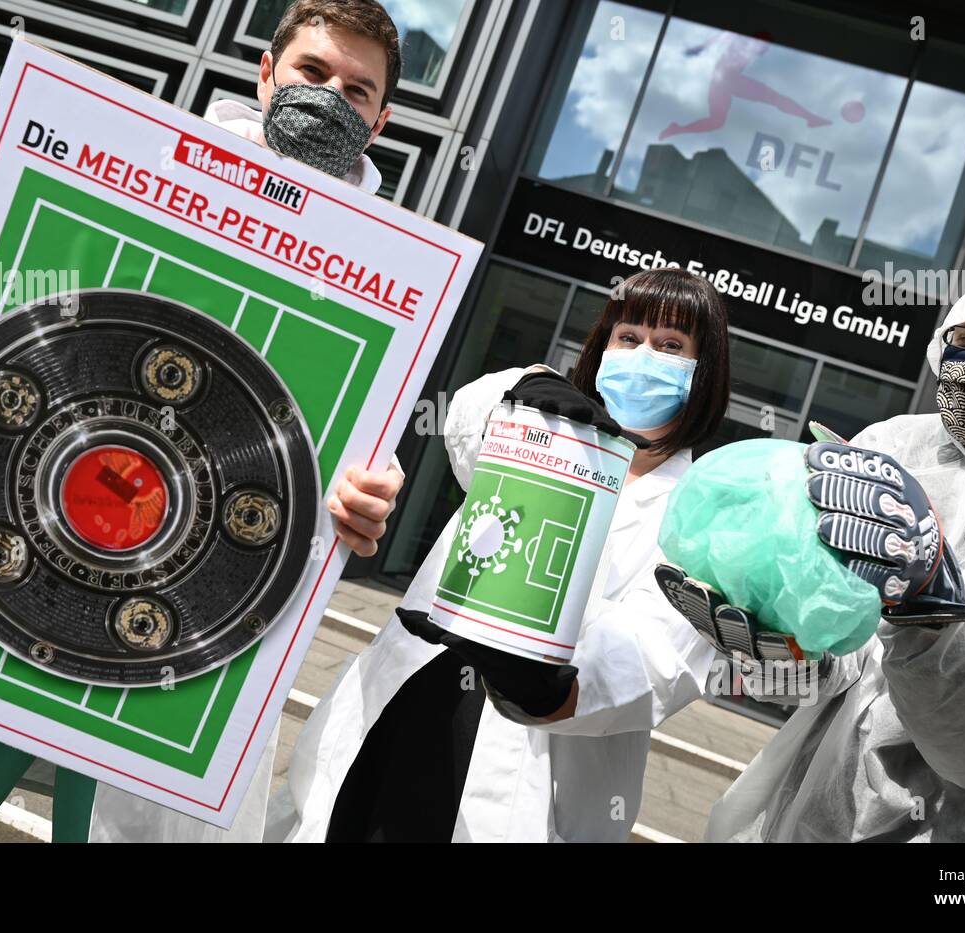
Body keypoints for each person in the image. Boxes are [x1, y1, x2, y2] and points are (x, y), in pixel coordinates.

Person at [0, 0, 406, 844]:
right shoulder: (136, 162)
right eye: (314, 72)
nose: (330, 98)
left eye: (356, 92)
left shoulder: (390, 271)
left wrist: (363, 500)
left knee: (115, 822)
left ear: (380, 123)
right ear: (266, 74)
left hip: (195, 586)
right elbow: (25, 292)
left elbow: (343, 444)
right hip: (41, 521)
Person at [666, 249, 965, 842]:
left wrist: (936, 609)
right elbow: (842, 672)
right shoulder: (890, 448)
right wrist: (778, 656)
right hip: (799, 818)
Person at [264, 267, 729, 842]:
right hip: (403, 702)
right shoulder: (545, 426)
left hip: (531, 767)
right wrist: (528, 385)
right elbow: (471, 416)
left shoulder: (699, 515)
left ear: (703, 373)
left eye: (671, 346)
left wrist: (548, 686)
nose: (642, 356)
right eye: (628, 337)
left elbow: (660, 657)